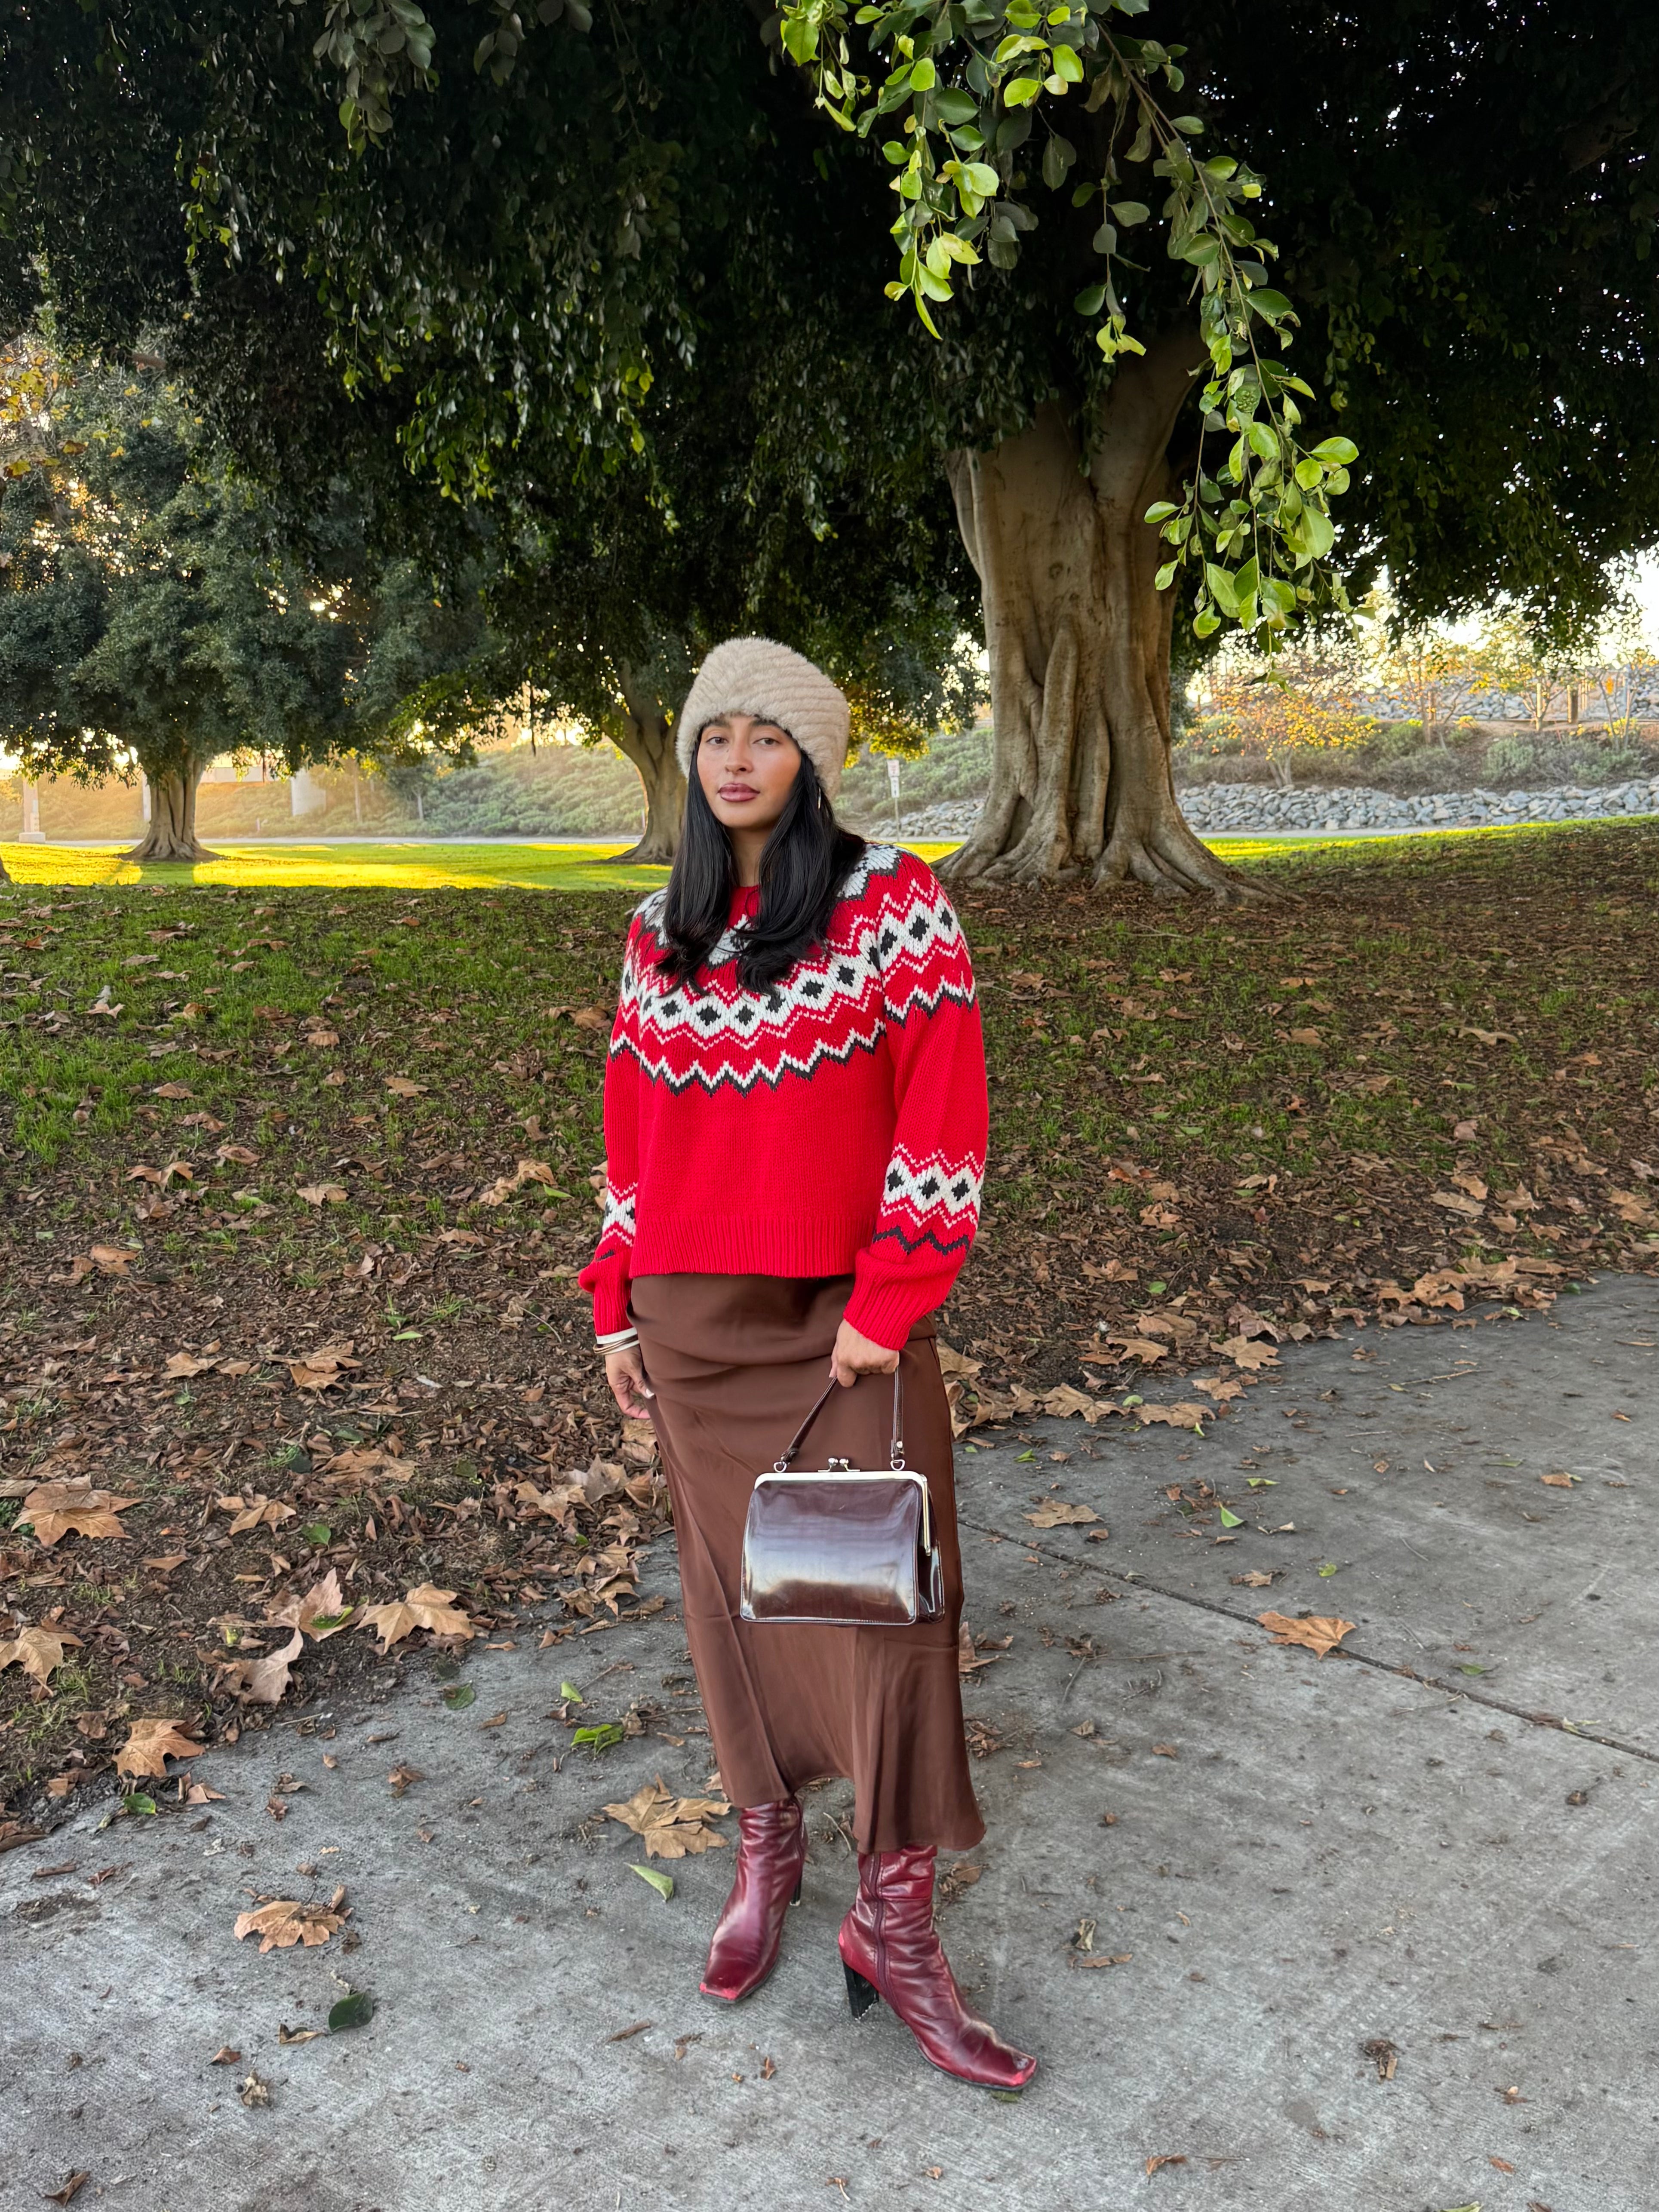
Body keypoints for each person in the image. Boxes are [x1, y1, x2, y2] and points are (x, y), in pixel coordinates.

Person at [581, 636, 1035, 2092]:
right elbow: (634, 1141)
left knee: (880, 1618)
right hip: (693, 1333)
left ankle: (892, 1924)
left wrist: (895, 1294)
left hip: (843, 1334)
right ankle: (767, 1852)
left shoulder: (893, 904)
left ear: (813, 758)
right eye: (713, 731)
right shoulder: (660, 928)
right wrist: (612, 1299)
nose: (733, 758)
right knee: (733, 1609)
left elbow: (943, 1113)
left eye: (765, 735)